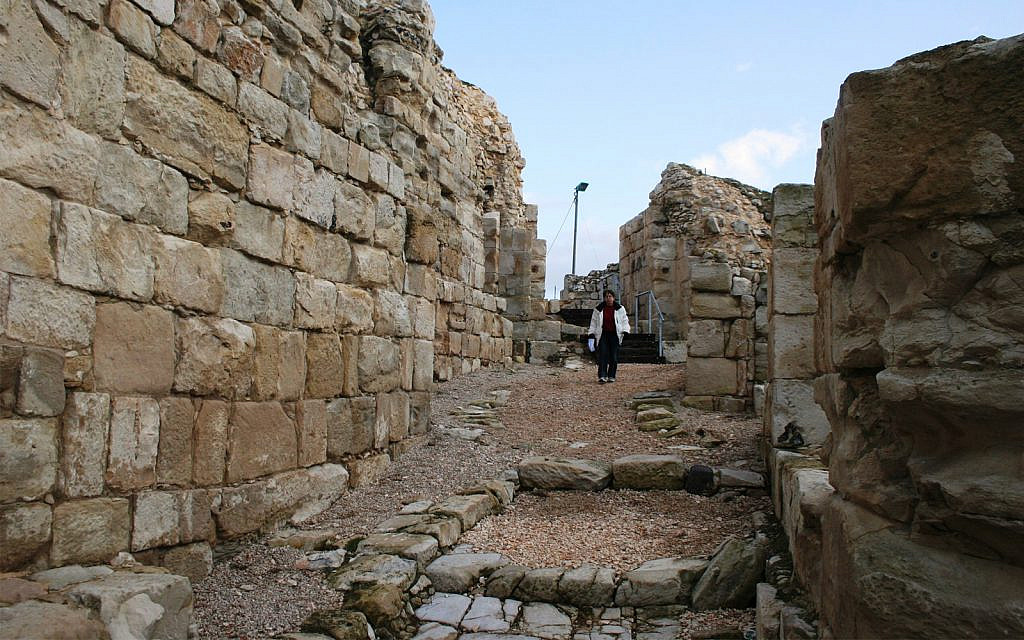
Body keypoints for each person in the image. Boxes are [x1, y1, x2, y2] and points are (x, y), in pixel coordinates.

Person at [588, 289, 630, 383]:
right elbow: (593, 323)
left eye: (610, 296)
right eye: (606, 296)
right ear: (604, 298)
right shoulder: (598, 309)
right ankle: (602, 375)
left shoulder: (620, 309)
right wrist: (591, 333)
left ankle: (611, 375)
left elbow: (624, 321)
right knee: (603, 355)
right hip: (603, 334)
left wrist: (626, 330)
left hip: (615, 335)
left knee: (613, 356)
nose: (608, 298)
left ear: (613, 298)